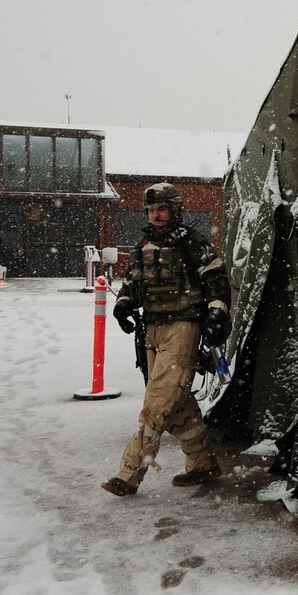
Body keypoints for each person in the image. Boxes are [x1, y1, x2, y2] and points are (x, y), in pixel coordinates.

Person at [101, 182, 232, 497]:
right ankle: (203, 463)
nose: (155, 215)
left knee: (158, 402)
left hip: (183, 327)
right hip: (153, 330)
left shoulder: (192, 242)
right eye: (150, 210)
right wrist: (123, 306)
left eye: (161, 209)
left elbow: (216, 281)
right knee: (176, 405)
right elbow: (132, 281)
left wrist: (216, 315)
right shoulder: (145, 244)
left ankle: (129, 472)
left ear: (174, 210)